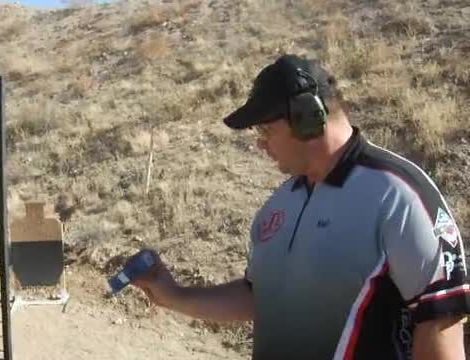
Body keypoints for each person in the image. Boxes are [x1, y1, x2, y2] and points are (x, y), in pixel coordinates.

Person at [132, 54, 470, 359]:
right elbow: (259, 297)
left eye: (265, 128)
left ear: (308, 116)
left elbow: (441, 322)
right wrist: (172, 295)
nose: (259, 143)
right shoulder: (281, 203)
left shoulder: (399, 196)